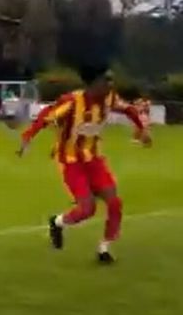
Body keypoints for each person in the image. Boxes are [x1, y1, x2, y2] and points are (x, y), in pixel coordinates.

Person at [17, 64, 150, 264]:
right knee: (87, 209)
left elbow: (129, 109)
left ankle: (104, 248)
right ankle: (57, 222)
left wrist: (142, 129)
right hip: (71, 161)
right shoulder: (72, 102)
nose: (110, 84)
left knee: (115, 203)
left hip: (94, 159)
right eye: (107, 80)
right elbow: (46, 116)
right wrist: (28, 137)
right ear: (94, 83)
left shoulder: (109, 98)